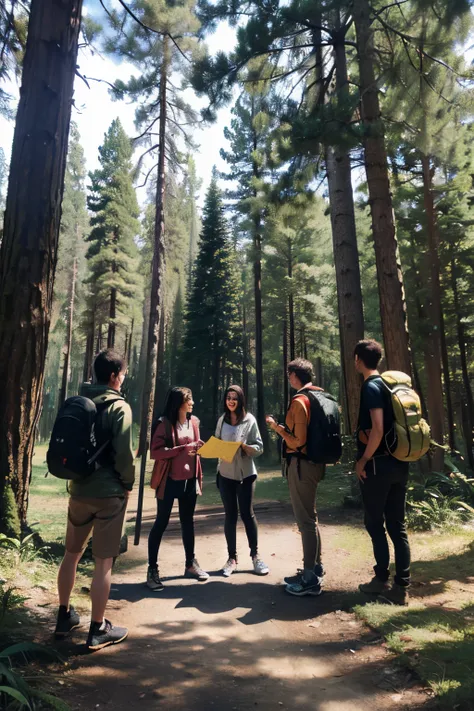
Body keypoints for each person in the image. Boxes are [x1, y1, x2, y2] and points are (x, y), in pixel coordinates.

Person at [55, 349, 134, 650]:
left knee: (71, 555)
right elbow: (124, 455)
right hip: (108, 494)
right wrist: (126, 483)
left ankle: (64, 617)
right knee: (103, 564)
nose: (123, 379)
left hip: (78, 489)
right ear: (114, 376)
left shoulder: (79, 403)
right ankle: (98, 629)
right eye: (123, 374)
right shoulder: (119, 407)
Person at [354, 339, 411, 605]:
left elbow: (376, 428)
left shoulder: (371, 386)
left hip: (379, 465)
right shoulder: (390, 384)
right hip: (400, 462)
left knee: (374, 522)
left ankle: (380, 579)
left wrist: (364, 459)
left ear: (358, 360)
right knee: (397, 525)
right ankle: (402, 587)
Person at [266, 359, 324, 597]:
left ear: (294, 375)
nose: (288, 379)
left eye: (289, 375)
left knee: (305, 521)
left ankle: (310, 579)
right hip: (316, 463)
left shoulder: (300, 401)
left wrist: (276, 427)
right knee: (311, 518)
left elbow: (297, 440)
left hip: (301, 465)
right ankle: (315, 567)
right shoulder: (320, 396)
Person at [147, 387, 208, 591]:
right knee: (161, 522)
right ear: (178, 402)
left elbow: (195, 449)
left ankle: (190, 564)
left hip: (190, 481)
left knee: (187, 522)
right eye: (188, 399)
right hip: (169, 481)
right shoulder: (163, 423)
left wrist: (201, 447)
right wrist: (182, 449)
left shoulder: (195, 422)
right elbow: (155, 452)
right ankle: (152, 570)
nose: (192, 403)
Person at [215, 385, 269, 577]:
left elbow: (260, 446)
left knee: (247, 514)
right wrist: (219, 449)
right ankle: (232, 559)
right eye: (228, 398)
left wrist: (246, 447)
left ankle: (256, 557)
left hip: (246, 475)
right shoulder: (222, 420)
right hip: (226, 474)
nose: (231, 401)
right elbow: (217, 443)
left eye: (234, 398)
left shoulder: (250, 420)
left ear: (241, 400)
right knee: (230, 515)